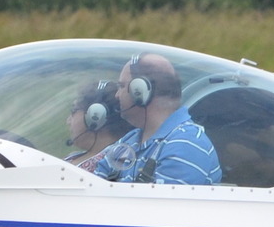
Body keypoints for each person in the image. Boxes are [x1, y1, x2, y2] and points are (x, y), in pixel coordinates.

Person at [94, 52, 222, 185]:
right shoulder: (130, 140)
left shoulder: (185, 144)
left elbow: (163, 205)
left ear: (140, 91)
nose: (117, 95)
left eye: (121, 86)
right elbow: (94, 185)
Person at [63, 80, 125, 170]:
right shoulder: (75, 157)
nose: (68, 121)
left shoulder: (106, 168)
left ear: (96, 116)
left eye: (74, 111)